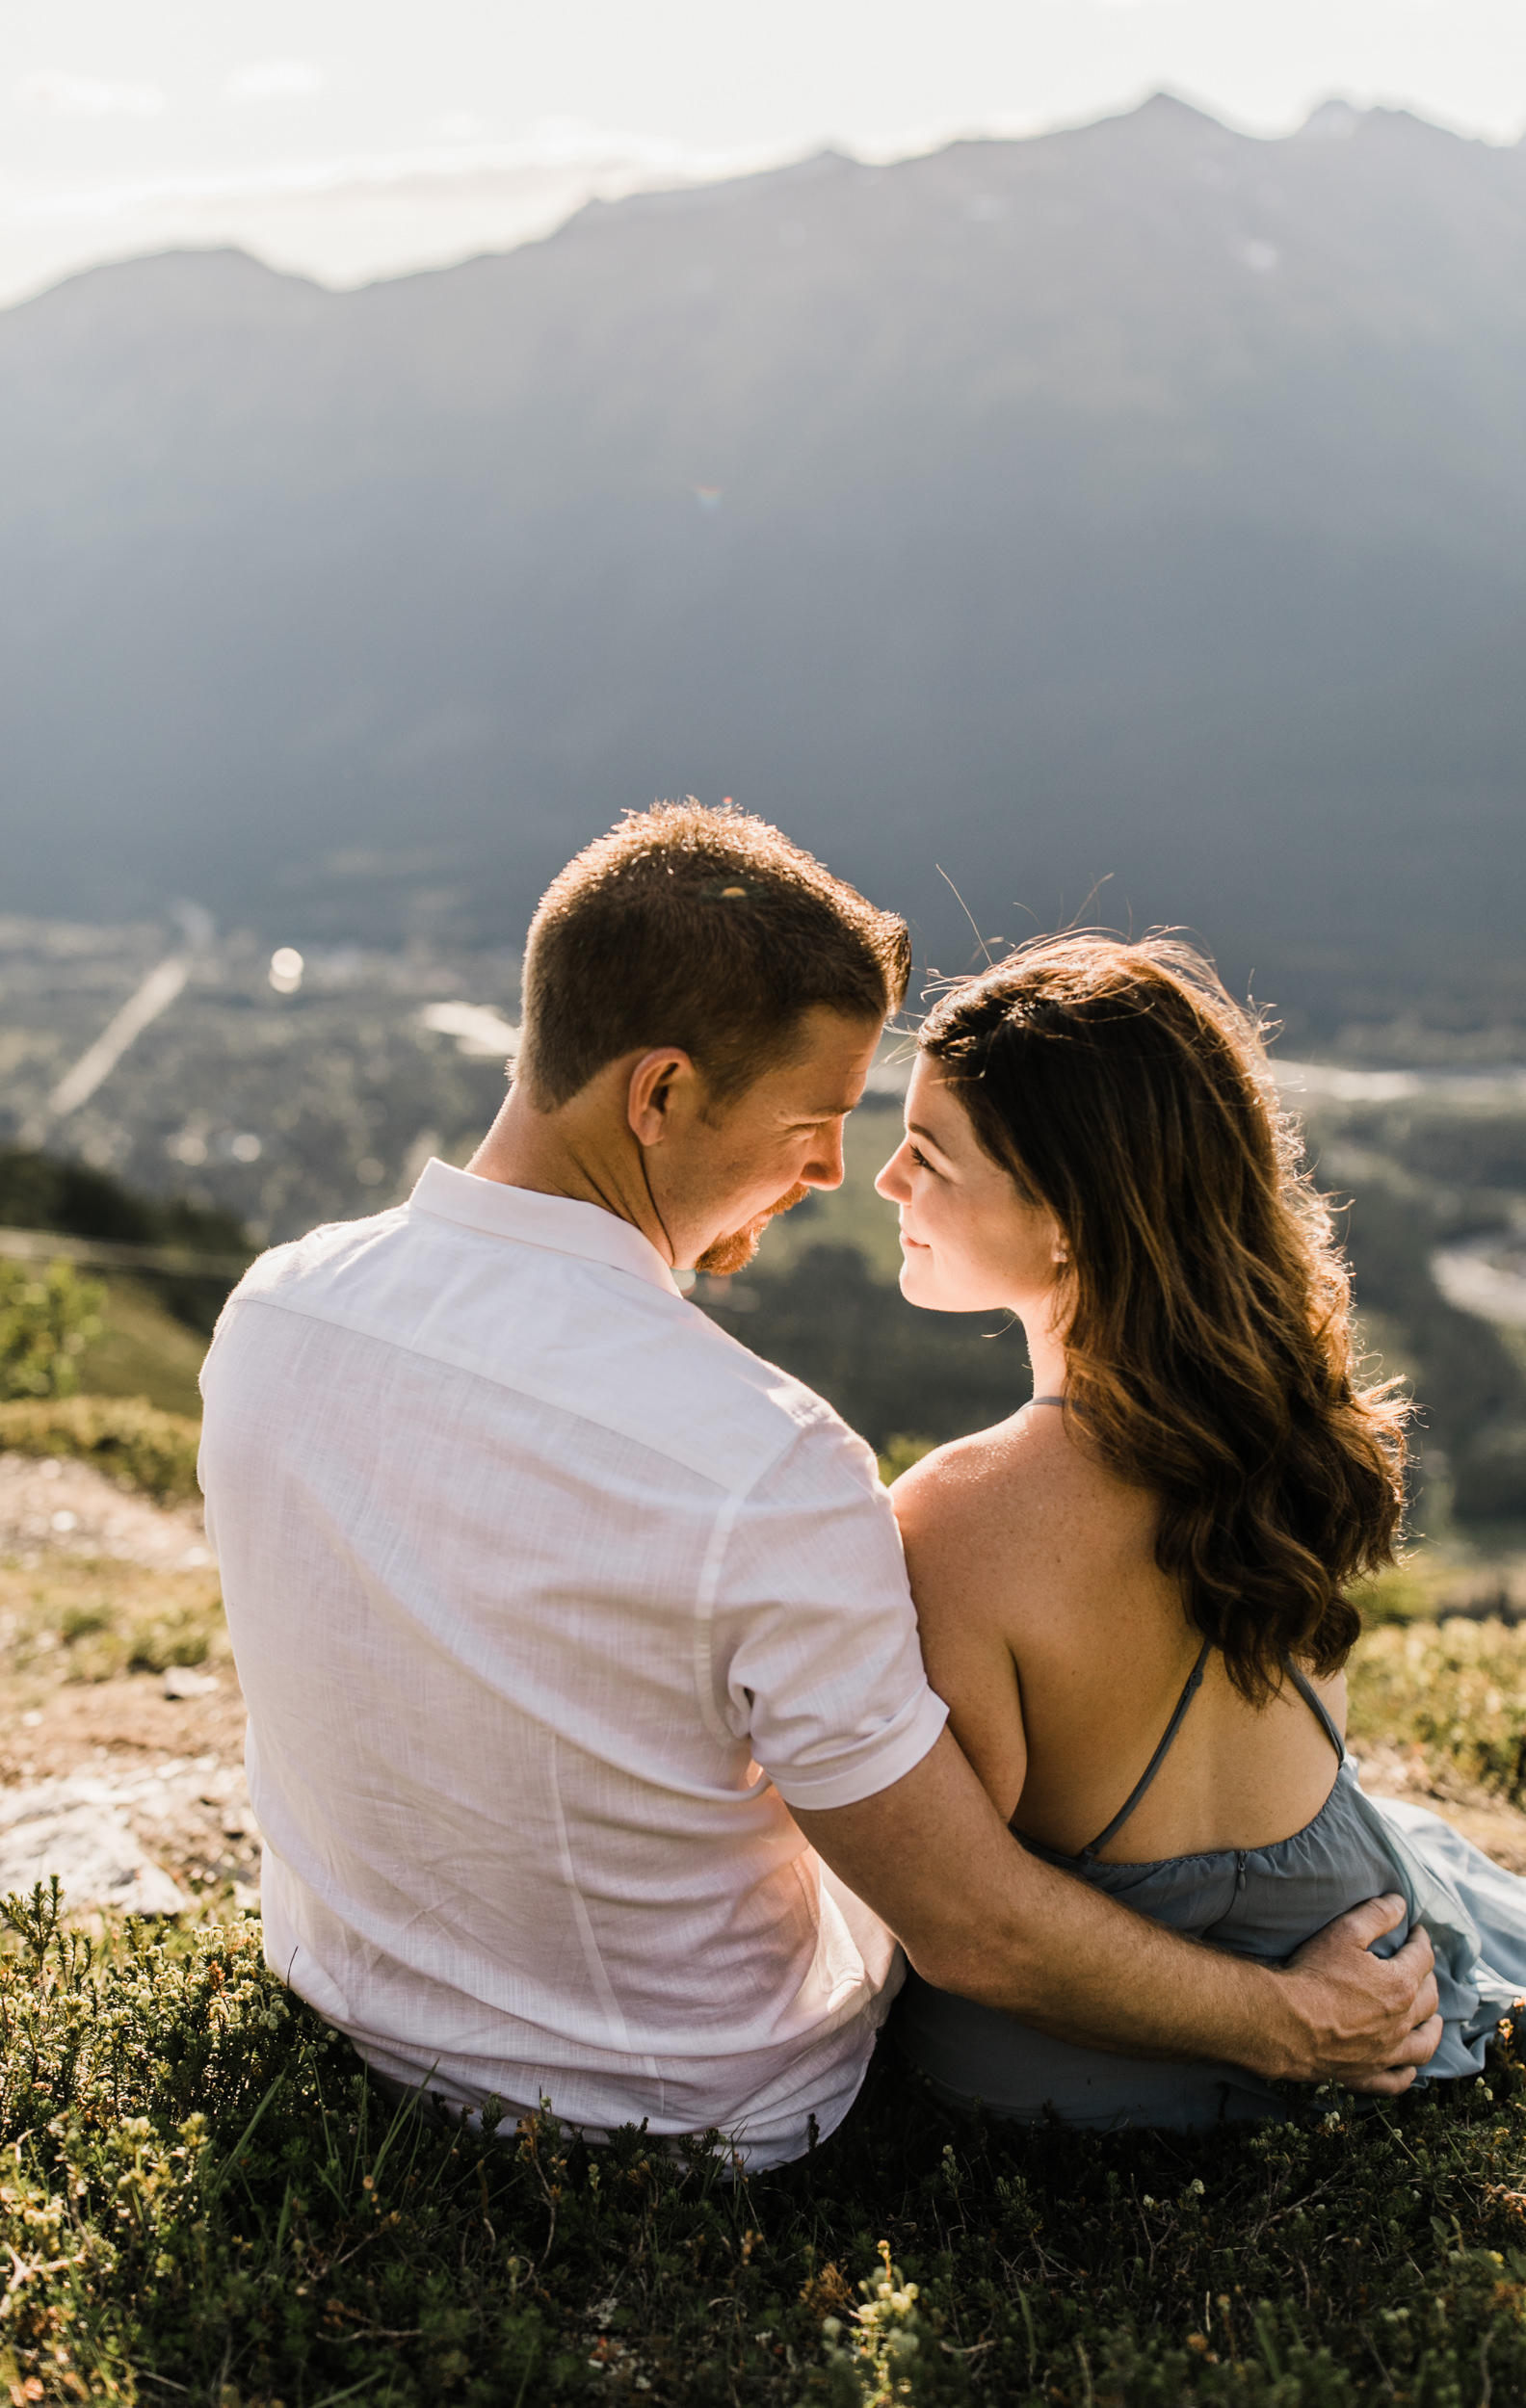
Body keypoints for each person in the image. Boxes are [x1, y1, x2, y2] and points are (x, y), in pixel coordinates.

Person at [198, 806, 1438, 2170]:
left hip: (360, 2017)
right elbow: (973, 1926)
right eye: (815, 1119)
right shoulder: (760, 1463)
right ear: (657, 1095)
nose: (835, 1174)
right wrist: (1291, 2023)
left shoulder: (277, 1312)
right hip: (687, 2110)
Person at [881, 931, 1526, 2129]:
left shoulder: (950, 1515)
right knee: (1425, 1850)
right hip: (1353, 1949)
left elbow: (971, 1888)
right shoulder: (1285, 1427)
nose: (885, 1184)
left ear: (1066, 1217)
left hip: (1063, 2063)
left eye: (926, 1156)